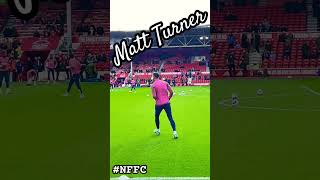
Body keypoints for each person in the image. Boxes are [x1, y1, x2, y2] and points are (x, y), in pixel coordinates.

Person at [151, 72, 178, 139]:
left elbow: (154, 96)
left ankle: (158, 130)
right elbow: (171, 92)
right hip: (166, 103)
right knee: (170, 117)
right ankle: (175, 132)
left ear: (154, 76)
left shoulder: (153, 85)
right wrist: (168, 98)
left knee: (156, 116)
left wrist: (156, 98)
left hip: (158, 104)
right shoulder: (165, 83)